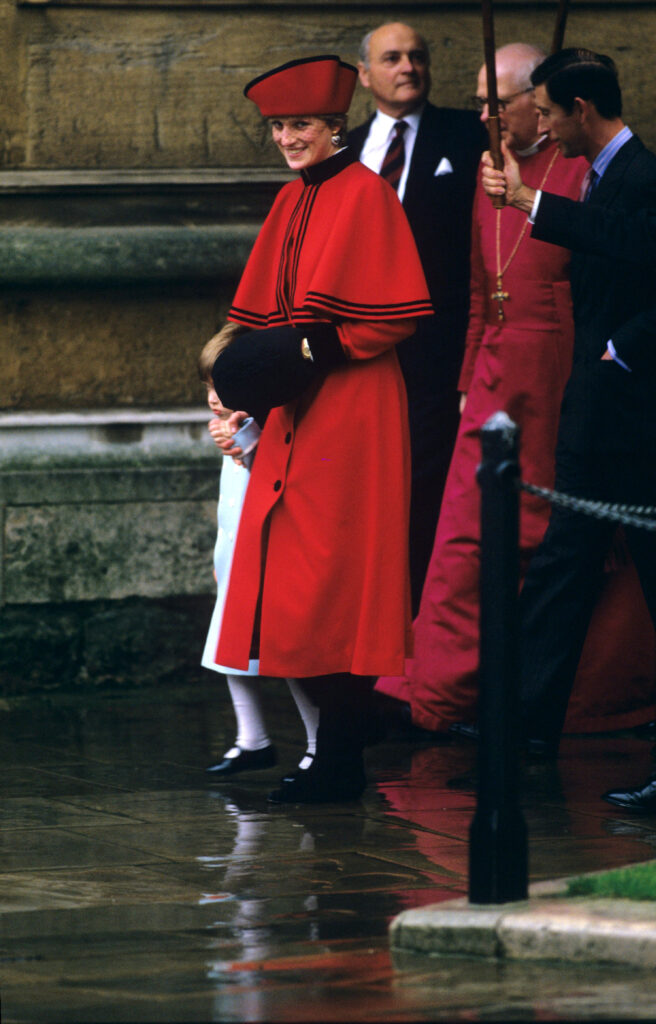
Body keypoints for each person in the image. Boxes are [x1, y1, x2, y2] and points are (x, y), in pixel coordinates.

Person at [376, 43, 656, 737]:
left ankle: (552, 716)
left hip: (572, 375)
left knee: (572, 545)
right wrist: (466, 375)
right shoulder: (497, 170)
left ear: (564, 110)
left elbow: (624, 263)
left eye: (503, 103)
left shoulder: (607, 173)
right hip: (504, 378)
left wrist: (602, 358)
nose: (484, 114)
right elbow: (482, 290)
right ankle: (481, 701)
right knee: (494, 544)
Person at [209, 55, 433, 804]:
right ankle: (336, 742)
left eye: (299, 124)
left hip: (353, 408)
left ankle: (336, 753)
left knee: (338, 581)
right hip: (293, 409)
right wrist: (241, 383)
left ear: (333, 125)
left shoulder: (366, 194)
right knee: (284, 578)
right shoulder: (288, 200)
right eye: (277, 127)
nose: (287, 138)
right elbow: (259, 316)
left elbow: (393, 315)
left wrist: (306, 351)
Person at [481, 47, 656, 807]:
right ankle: (521, 730)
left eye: (551, 112)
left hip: (646, 428)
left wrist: (615, 351)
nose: (545, 125)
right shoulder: (603, 177)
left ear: (583, 111)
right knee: (562, 569)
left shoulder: (646, 179)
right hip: (599, 422)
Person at [348, 23, 487, 612]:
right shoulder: (344, 150)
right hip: (360, 358)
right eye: (393, 57)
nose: (408, 67)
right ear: (364, 74)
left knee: (429, 495)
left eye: (418, 57)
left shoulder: (470, 133)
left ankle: (420, 642)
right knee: (366, 496)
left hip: (439, 355)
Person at [197, 324, 279, 778]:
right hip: (233, 559)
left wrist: (240, 441)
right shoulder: (226, 426)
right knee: (229, 654)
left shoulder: (262, 428)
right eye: (208, 385)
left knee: (286, 657)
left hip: (264, 558)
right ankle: (252, 739)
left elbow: (261, 467)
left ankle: (315, 746)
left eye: (220, 385)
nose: (212, 395)